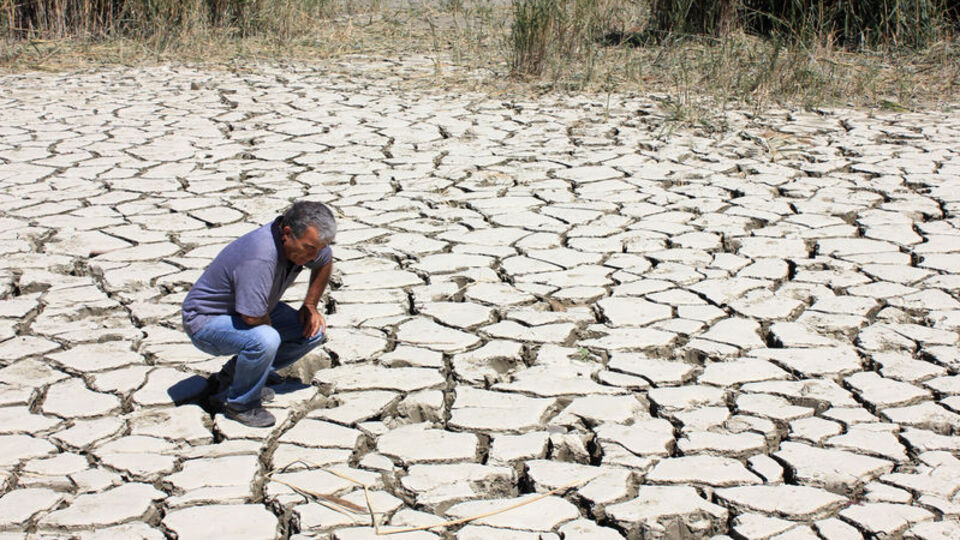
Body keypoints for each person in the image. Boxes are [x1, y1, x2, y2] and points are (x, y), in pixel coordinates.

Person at [181, 201, 335, 427]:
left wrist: (310, 305)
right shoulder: (261, 255)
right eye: (309, 248)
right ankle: (241, 403)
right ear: (287, 233)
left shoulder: (311, 247)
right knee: (266, 339)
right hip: (207, 320)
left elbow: (325, 260)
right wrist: (265, 350)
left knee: (312, 331)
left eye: (319, 248)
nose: (314, 256)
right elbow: (252, 318)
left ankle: (235, 377)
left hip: (253, 309)